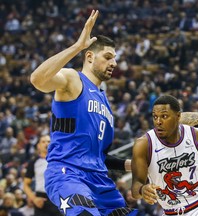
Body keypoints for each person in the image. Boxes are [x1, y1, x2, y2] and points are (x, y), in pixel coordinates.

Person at [30, 10, 136, 216]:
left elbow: (99, 156)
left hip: (99, 181)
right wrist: (78, 46)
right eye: (107, 57)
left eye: (115, 58)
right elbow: (37, 79)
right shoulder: (73, 80)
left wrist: (133, 165)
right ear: (89, 56)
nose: (113, 63)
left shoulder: (105, 103)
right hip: (68, 174)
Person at [131, 95, 198, 215]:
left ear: (178, 116)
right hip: (170, 211)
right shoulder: (143, 145)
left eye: (164, 116)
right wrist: (142, 189)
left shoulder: (196, 135)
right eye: (155, 117)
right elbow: (136, 186)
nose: (158, 122)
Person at [23, 135, 61, 216]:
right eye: (43, 142)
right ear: (38, 146)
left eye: (48, 141)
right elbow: (25, 184)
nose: (46, 144)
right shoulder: (34, 162)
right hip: (42, 199)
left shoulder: (61, 161)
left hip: (59, 197)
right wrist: (34, 199)